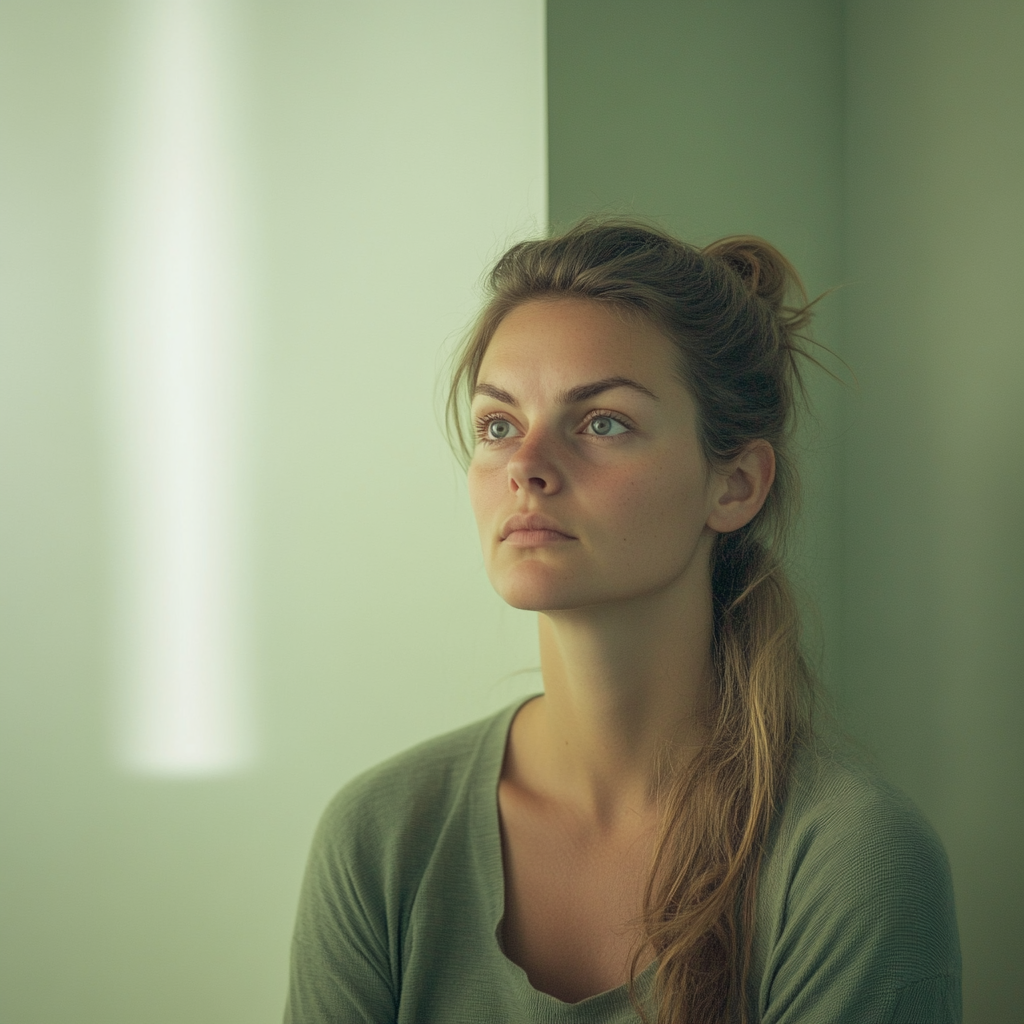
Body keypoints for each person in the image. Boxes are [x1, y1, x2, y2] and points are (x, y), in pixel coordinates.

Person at [283, 220, 962, 1023]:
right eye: (499, 425)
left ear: (736, 485)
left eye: (602, 422)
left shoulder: (851, 859)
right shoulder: (383, 836)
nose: (526, 466)